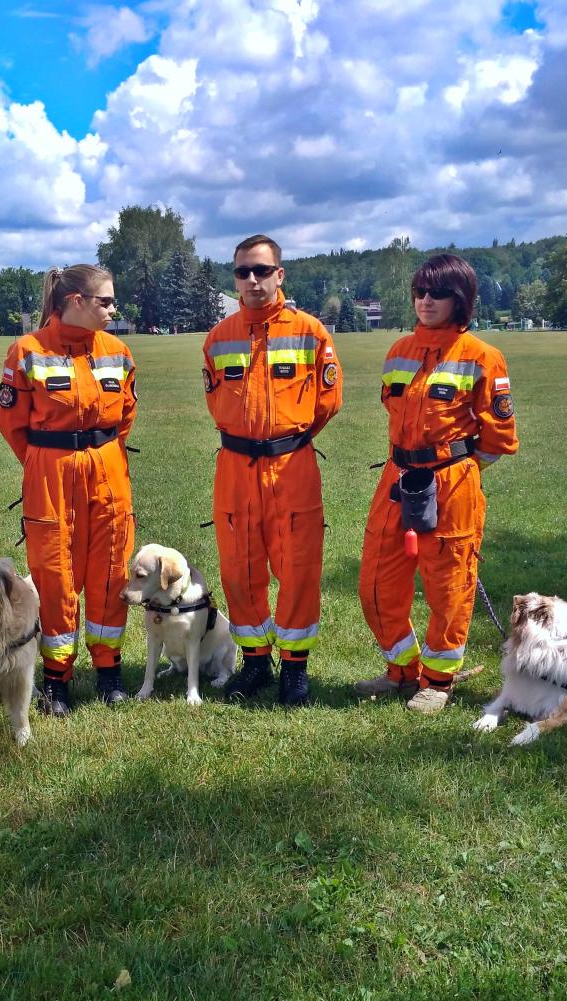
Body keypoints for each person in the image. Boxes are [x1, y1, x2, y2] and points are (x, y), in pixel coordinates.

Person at [354, 254, 519, 713]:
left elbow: (499, 438)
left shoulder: (483, 357)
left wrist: (458, 471)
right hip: (397, 477)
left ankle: (439, 681)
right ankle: (403, 670)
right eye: (420, 292)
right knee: (375, 583)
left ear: (460, 300)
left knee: (449, 586)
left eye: (438, 293)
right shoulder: (399, 351)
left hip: (451, 483)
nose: (425, 301)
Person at [201, 234, 343, 705]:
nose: (253, 280)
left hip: (291, 466)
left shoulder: (309, 332)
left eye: (262, 270)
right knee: (239, 567)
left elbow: (328, 402)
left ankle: (295, 668)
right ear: (234, 276)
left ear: (280, 274)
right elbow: (216, 401)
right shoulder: (219, 338)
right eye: (243, 271)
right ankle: (256, 661)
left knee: (297, 566)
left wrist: (287, 438)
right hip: (235, 468)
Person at [0, 264, 137, 715]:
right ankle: (57, 679)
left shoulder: (118, 351)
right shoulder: (27, 351)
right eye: (106, 301)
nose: (114, 309)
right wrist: (45, 462)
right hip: (51, 474)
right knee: (55, 577)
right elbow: (11, 422)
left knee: (112, 571)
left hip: (108, 470)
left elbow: (126, 414)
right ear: (75, 301)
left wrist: (100, 457)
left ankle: (109, 670)